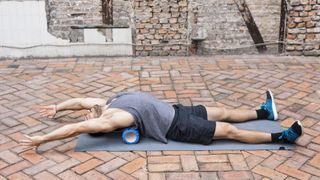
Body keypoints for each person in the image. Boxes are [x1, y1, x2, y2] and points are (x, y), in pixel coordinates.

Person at [20, 90, 303, 149]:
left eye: (89, 112)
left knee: (224, 111)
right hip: (178, 126)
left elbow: (79, 101)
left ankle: (265, 112)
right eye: (89, 118)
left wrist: (58, 107)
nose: (87, 112)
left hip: (177, 109)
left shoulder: (103, 103)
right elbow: (78, 127)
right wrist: (44, 139)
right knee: (228, 129)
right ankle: (282, 137)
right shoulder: (112, 118)